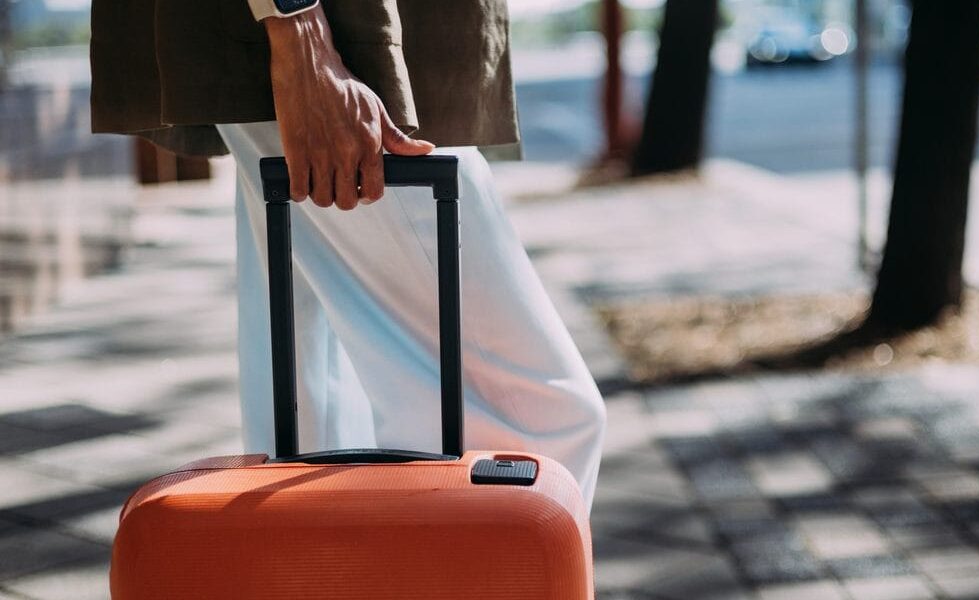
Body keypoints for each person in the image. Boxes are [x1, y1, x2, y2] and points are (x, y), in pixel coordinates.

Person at [90, 1, 606, 507]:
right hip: (342, 44)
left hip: (315, 46)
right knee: (538, 426)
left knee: (314, 437)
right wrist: (301, 35)